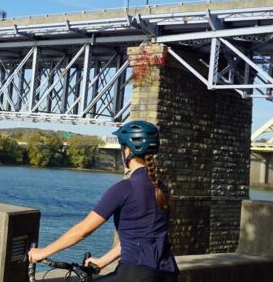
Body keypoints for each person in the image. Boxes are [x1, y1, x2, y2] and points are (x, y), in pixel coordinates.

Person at [27, 120, 178, 282]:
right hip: (167, 274)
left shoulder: (124, 188)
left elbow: (82, 230)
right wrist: (102, 261)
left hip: (136, 274)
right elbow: (137, 239)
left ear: (127, 151)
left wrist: (43, 252)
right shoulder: (161, 188)